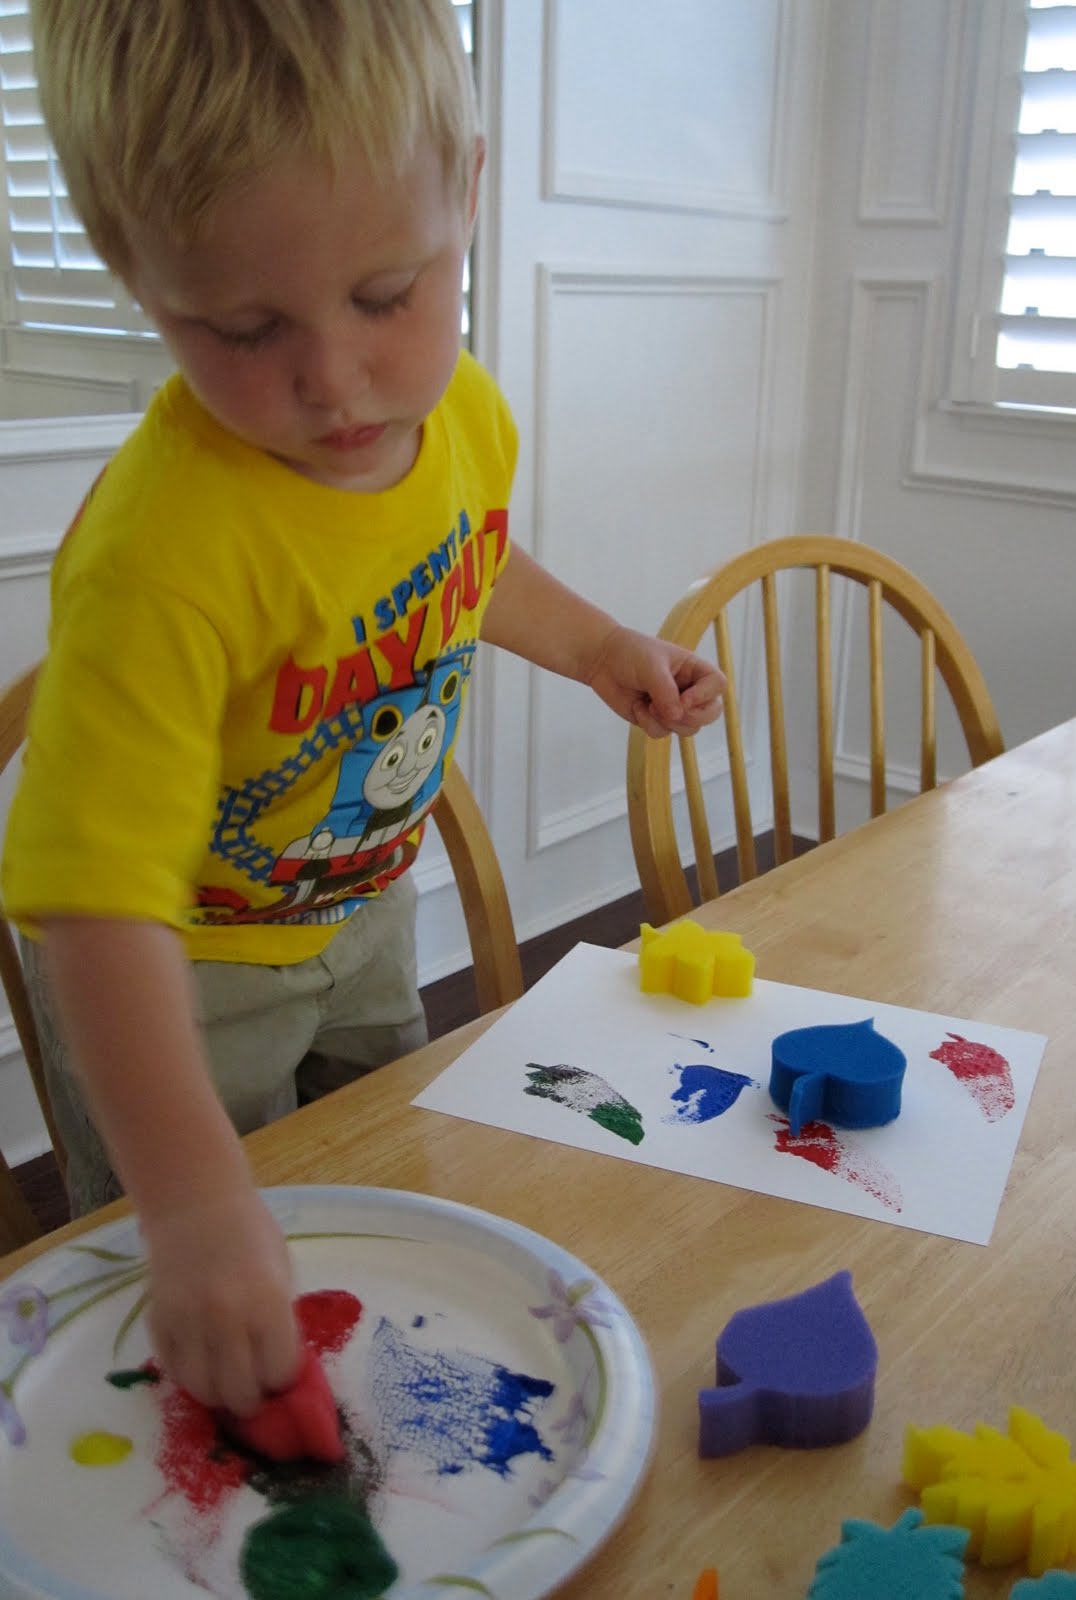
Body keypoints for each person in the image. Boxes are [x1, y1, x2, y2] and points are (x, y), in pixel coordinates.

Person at [1, 0, 723, 1421]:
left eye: (388, 295)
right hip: (181, 975)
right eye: (245, 326)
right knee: (209, 1294)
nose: (335, 384)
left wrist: (597, 644)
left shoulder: (461, 415)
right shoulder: (164, 557)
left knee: (375, 1182)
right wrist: (190, 1207)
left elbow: (465, 560)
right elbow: (93, 912)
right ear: (134, 268)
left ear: (466, 192)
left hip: (362, 908)